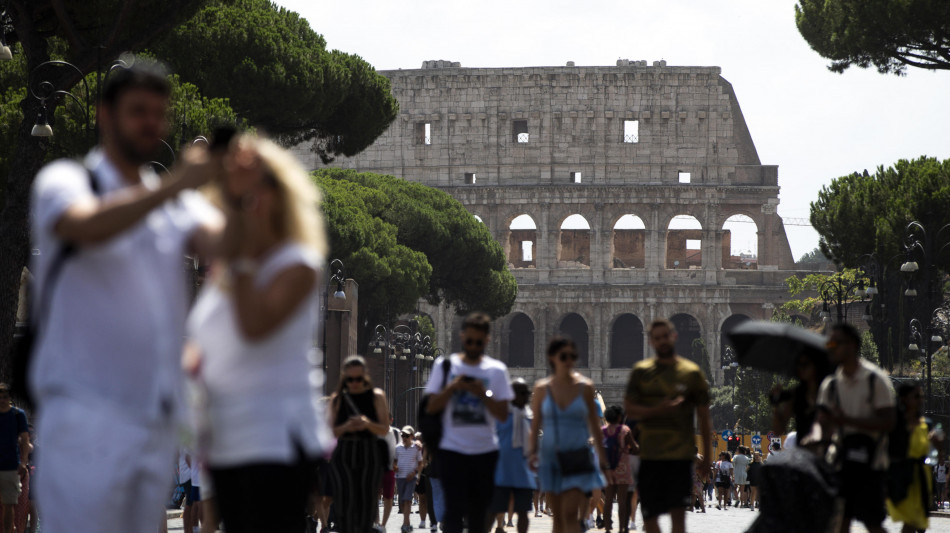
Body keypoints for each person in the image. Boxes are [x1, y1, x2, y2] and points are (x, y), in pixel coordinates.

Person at [29, 60, 222, 533]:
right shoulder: (66, 182)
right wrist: (177, 186)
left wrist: (232, 187)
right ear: (103, 114)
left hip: (150, 423)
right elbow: (84, 225)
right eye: (137, 110)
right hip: (80, 418)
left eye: (159, 112)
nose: (150, 123)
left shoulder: (176, 204)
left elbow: (234, 247)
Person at [184, 133, 336, 533]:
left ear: (282, 194)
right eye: (240, 186)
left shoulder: (298, 264)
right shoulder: (228, 266)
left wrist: (240, 251)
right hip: (230, 435)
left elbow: (253, 328)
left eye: (260, 183)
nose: (250, 194)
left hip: (276, 438)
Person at [423, 312, 515, 533]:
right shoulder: (445, 367)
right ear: (462, 337)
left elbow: (503, 414)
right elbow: (431, 407)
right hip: (452, 451)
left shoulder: (497, 370)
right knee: (452, 514)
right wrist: (453, 388)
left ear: (487, 339)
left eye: (479, 341)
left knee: (479, 517)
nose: (474, 345)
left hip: (485, 453)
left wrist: (482, 394)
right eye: (469, 340)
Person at [624, 318, 712, 533]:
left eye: (666, 336)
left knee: (678, 519)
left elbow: (703, 417)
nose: (662, 341)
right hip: (650, 455)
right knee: (651, 518)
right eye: (657, 338)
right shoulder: (641, 372)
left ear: (674, 337)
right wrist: (658, 410)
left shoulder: (691, 373)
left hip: (679, 456)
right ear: (651, 342)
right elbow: (630, 409)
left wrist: (707, 457)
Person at [817, 323, 895, 533]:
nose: (830, 348)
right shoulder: (830, 385)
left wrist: (847, 421)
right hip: (840, 463)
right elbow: (823, 428)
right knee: (839, 522)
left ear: (851, 345)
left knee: (872, 523)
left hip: (871, 463)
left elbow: (889, 422)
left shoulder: (874, 379)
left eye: (834, 343)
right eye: (828, 343)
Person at [528, 336, 607, 533]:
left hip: (578, 455)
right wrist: (531, 454)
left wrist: (602, 455)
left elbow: (596, 425)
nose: (569, 360)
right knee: (558, 520)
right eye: (563, 356)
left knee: (571, 514)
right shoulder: (541, 389)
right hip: (551, 458)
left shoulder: (586, 387)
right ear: (552, 357)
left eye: (572, 356)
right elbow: (535, 424)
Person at [324, 356, 390, 533]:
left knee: (366, 505)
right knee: (345, 503)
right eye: (350, 379)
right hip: (344, 452)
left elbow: (384, 429)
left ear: (365, 377)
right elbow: (329, 431)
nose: (354, 383)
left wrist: (367, 423)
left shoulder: (376, 396)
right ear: (344, 378)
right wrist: (346, 426)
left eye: (358, 379)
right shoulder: (337, 399)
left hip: (369, 451)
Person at [886, 383, 940, 533]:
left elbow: (936, 457)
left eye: (921, 396)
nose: (920, 400)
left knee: (920, 525)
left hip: (923, 478)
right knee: (911, 522)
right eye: (916, 396)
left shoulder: (927, 424)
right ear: (904, 399)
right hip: (903, 477)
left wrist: (938, 445)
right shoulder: (896, 424)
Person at [492, 379, 535, 533]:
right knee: (493, 509)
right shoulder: (499, 414)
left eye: (526, 394)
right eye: (522, 394)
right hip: (501, 470)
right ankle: (498, 527)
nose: (525, 397)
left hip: (523, 471)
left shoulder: (529, 417)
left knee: (523, 511)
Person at [771, 351, 833, 451]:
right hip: (803, 452)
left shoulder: (829, 389)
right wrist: (776, 406)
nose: (801, 369)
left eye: (805, 364)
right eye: (798, 364)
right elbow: (778, 431)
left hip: (826, 450)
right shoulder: (796, 394)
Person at [601, 406, 635, 533]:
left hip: (608, 468)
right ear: (620, 417)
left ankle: (608, 528)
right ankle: (621, 528)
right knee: (622, 501)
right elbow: (634, 447)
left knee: (608, 499)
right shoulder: (625, 430)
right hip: (622, 468)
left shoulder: (602, 430)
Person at [0, 385, 29, 533]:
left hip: (10, 467)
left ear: (10, 398)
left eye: (5, 397)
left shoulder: (17, 414)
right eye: (0, 397)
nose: (2, 400)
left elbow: (25, 440)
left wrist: (23, 462)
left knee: (9, 505)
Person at [394, 427, 423, 533]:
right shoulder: (398, 448)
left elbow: (420, 463)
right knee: (402, 502)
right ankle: (408, 522)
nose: (404, 438)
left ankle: (405, 524)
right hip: (400, 477)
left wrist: (415, 473)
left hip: (411, 477)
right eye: (403, 435)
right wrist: (395, 467)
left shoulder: (416, 448)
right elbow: (395, 461)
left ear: (411, 436)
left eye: (406, 436)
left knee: (407, 499)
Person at [378, 414, 400, 532]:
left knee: (388, 497)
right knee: (374, 496)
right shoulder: (374, 432)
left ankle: (383, 524)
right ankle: (376, 523)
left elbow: (400, 449)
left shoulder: (396, 433)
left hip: (390, 469)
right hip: (376, 469)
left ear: (391, 420)